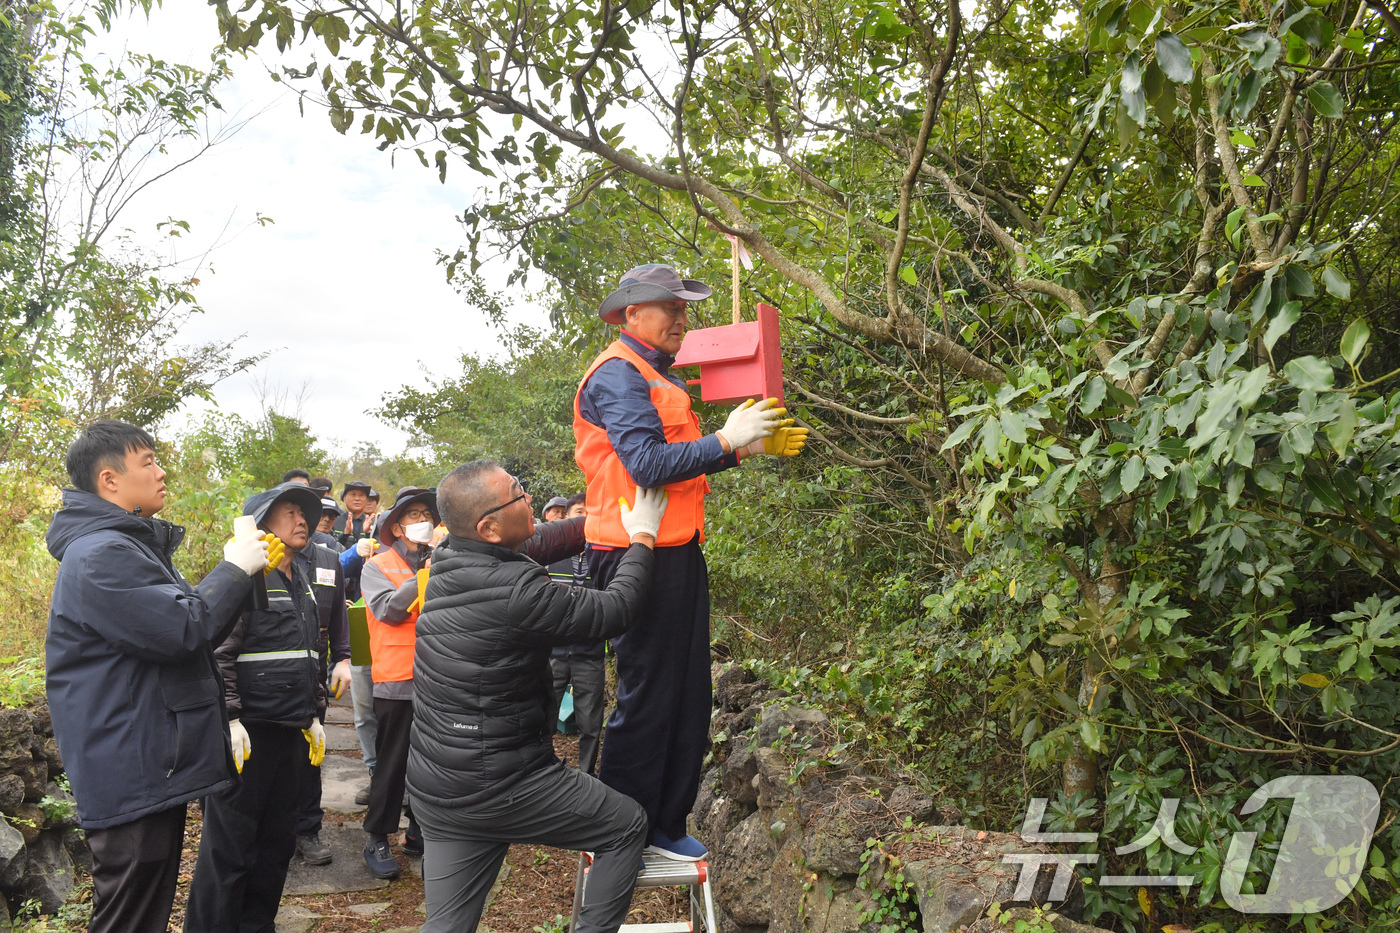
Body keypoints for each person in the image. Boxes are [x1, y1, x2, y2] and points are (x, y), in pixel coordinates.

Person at [574, 263, 808, 860]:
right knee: (649, 694)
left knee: (687, 692)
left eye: (685, 307)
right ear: (632, 313)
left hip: (675, 548)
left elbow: (677, 461)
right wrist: (727, 439)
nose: (683, 317)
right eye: (669, 306)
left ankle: (665, 824)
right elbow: (647, 466)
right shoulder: (618, 375)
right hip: (633, 549)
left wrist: (742, 449)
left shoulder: (655, 375)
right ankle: (621, 830)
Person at [407, 460, 667, 933]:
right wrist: (643, 537)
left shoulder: (450, 558)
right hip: (503, 783)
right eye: (517, 494)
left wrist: (600, 520)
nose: (528, 499)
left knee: (446, 924)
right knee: (625, 825)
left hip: (439, 785)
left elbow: (539, 542)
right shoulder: (517, 592)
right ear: (487, 527)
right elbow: (615, 609)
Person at [44, 421, 270, 933]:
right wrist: (233, 568)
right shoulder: (102, 555)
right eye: (147, 461)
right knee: (130, 915)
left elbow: (191, 627)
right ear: (109, 480)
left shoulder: (124, 547)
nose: (161, 470)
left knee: (141, 909)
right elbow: (184, 628)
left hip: (141, 763)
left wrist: (241, 577)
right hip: (130, 767)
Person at [185, 482, 329, 933]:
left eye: (304, 513)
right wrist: (228, 717)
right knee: (229, 851)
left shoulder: (299, 578)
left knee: (275, 846)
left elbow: (309, 652)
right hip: (247, 737)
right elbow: (216, 652)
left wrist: (314, 714)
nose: (302, 520)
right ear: (262, 523)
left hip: (289, 733)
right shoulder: (243, 577)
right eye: (289, 512)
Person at [360, 486, 439, 879]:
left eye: (427, 513)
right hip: (396, 680)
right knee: (392, 765)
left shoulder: (444, 561)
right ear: (397, 526)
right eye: (413, 514)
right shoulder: (377, 566)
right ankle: (376, 836)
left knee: (433, 764)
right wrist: (425, 574)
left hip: (439, 680)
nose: (422, 519)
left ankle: (418, 832)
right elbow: (389, 611)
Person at [293, 506, 353, 865]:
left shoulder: (329, 560)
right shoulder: (266, 558)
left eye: (305, 513)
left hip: (313, 675)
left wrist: (342, 659)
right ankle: (276, 828)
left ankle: (307, 829)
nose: (300, 520)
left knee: (312, 752)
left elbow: (339, 617)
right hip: (271, 675)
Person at [548, 493, 605, 774]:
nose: (585, 516)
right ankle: (542, 773)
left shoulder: (603, 559)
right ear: (566, 518)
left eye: (590, 511)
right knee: (544, 717)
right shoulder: (549, 558)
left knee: (591, 723)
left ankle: (587, 775)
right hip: (552, 652)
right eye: (579, 511)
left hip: (590, 654)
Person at [334, 480, 375, 549]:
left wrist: (368, 534)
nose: (357, 498)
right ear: (344, 498)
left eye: (361, 495)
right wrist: (345, 534)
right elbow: (331, 547)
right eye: (353, 494)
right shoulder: (334, 521)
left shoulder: (373, 523)